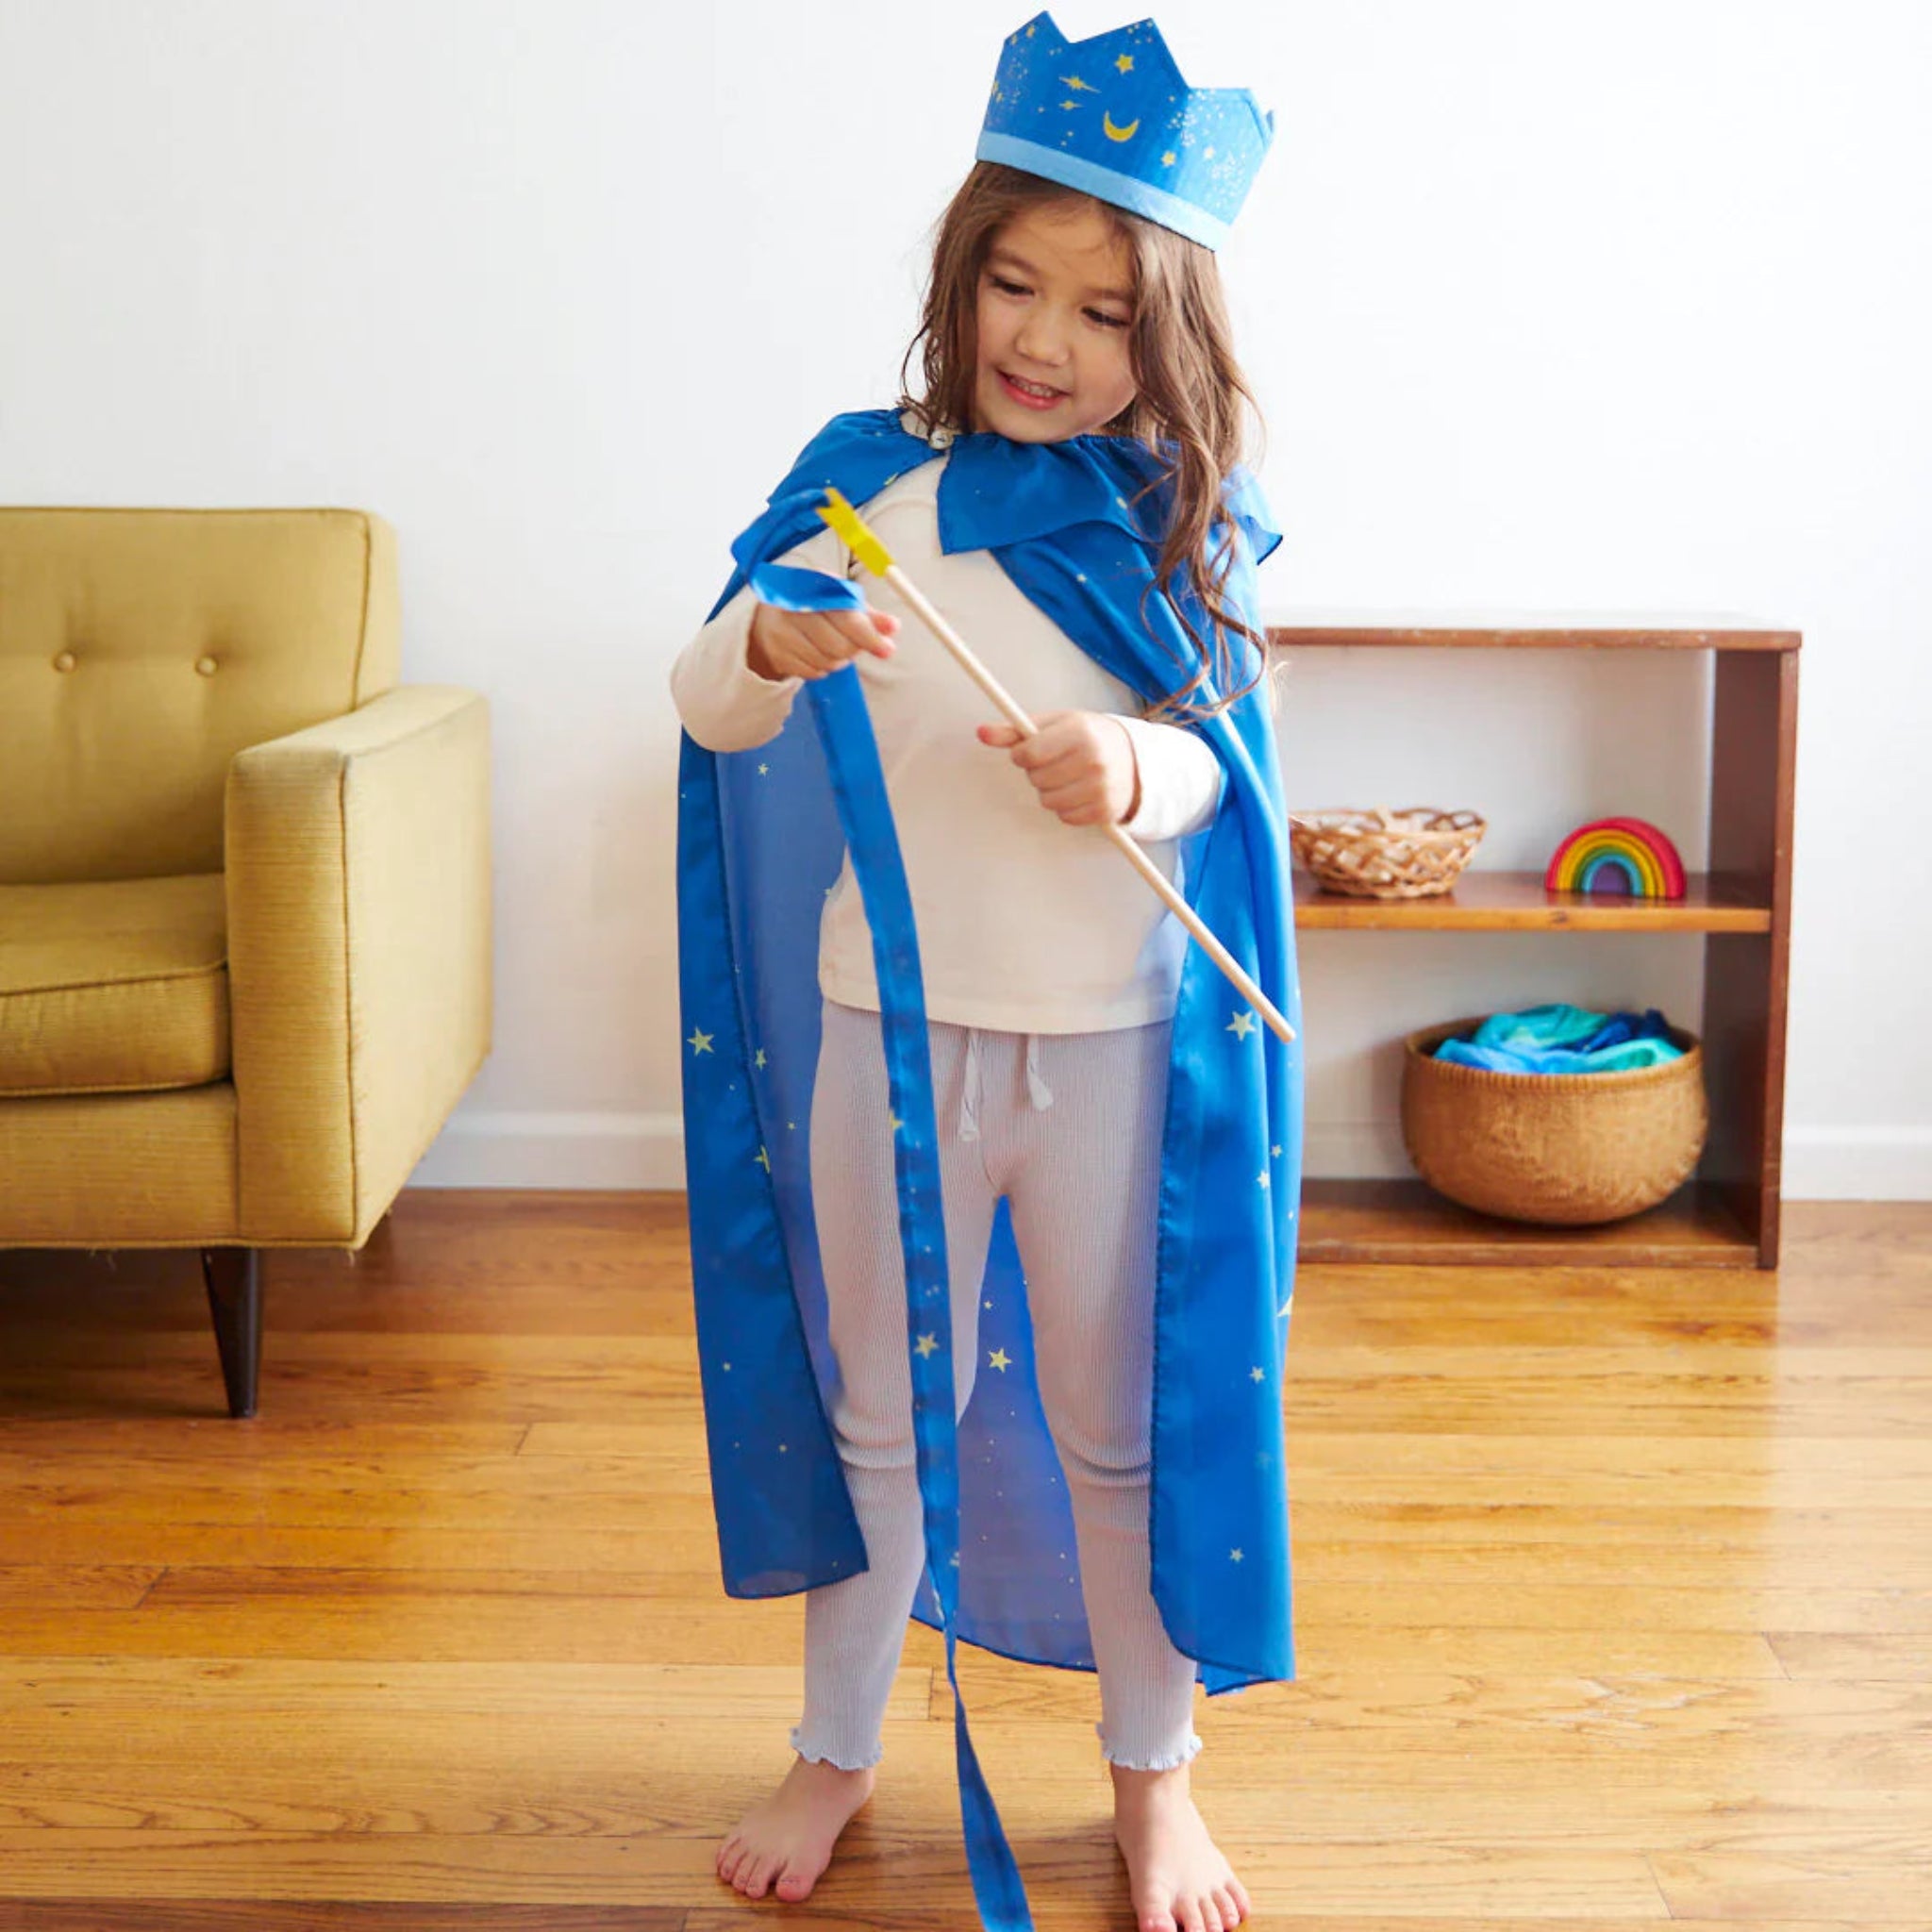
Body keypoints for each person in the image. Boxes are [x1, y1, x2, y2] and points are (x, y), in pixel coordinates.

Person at [669, 16, 1302, 1932]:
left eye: (1103, 312)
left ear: (1164, 337)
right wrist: (772, 650)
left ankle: (1152, 1777)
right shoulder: (866, 491)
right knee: (880, 1412)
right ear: (961, 282)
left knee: (1125, 1422)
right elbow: (703, 704)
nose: (1045, 338)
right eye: (1013, 284)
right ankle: (838, 1743)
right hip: (887, 1038)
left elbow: (1233, 766)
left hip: (1111, 1049)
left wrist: (1134, 763)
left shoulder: (1164, 520)